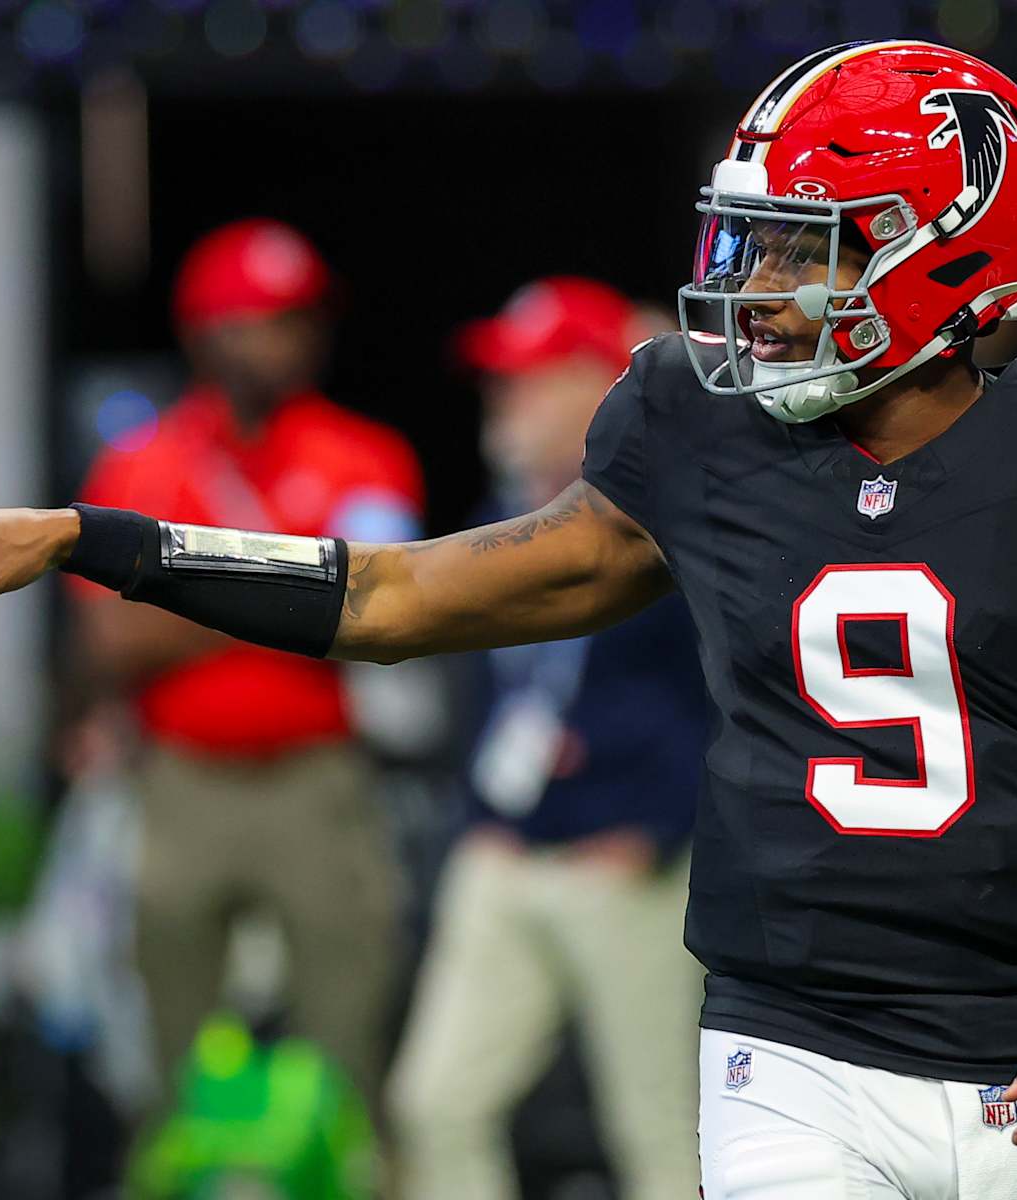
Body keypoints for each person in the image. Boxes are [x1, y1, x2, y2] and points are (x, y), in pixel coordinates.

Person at [0, 41, 1017, 1197]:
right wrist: (93, 538)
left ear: (949, 257)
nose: (758, 291)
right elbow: (390, 594)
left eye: (803, 251)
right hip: (786, 1052)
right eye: (751, 243)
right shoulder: (699, 427)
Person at [67, 218, 424, 1109]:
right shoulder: (141, 461)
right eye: (265, 318)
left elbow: (384, 620)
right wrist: (294, 583)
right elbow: (111, 641)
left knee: (346, 1055)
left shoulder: (366, 455)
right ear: (207, 331)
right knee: (173, 1061)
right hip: (182, 780)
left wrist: (190, 590)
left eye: (301, 318)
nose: (292, 339)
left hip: (321, 781)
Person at [384, 277, 707, 1199]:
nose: (505, 399)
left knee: (656, 1134)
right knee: (435, 1105)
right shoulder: (504, 508)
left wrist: (660, 828)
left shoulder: (676, 512)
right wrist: (480, 813)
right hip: (510, 850)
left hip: (628, 866)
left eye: (529, 377)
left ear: (595, 385)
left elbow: (736, 697)